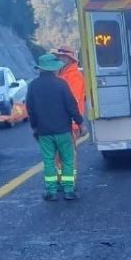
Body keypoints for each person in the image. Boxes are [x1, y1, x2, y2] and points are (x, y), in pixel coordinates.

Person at [27, 54, 84, 201]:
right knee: (67, 159)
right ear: (54, 69)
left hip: (44, 131)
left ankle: (51, 191)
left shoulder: (33, 86)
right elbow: (72, 106)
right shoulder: (61, 84)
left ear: (40, 69)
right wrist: (80, 123)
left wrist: (34, 128)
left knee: (49, 160)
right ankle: (69, 190)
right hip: (63, 130)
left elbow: (31, 109)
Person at [53, 47, 86, 176]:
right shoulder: (63, 74)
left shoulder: (73, 76)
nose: (59, 59)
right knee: (60, 156)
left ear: (68, 59)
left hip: (70, 124)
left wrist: (76, 123)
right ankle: (63, 180)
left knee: (66, 156)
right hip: (63, 123)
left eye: (61, 56)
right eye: (58, 56)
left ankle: (69, 182)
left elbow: (74, 101)